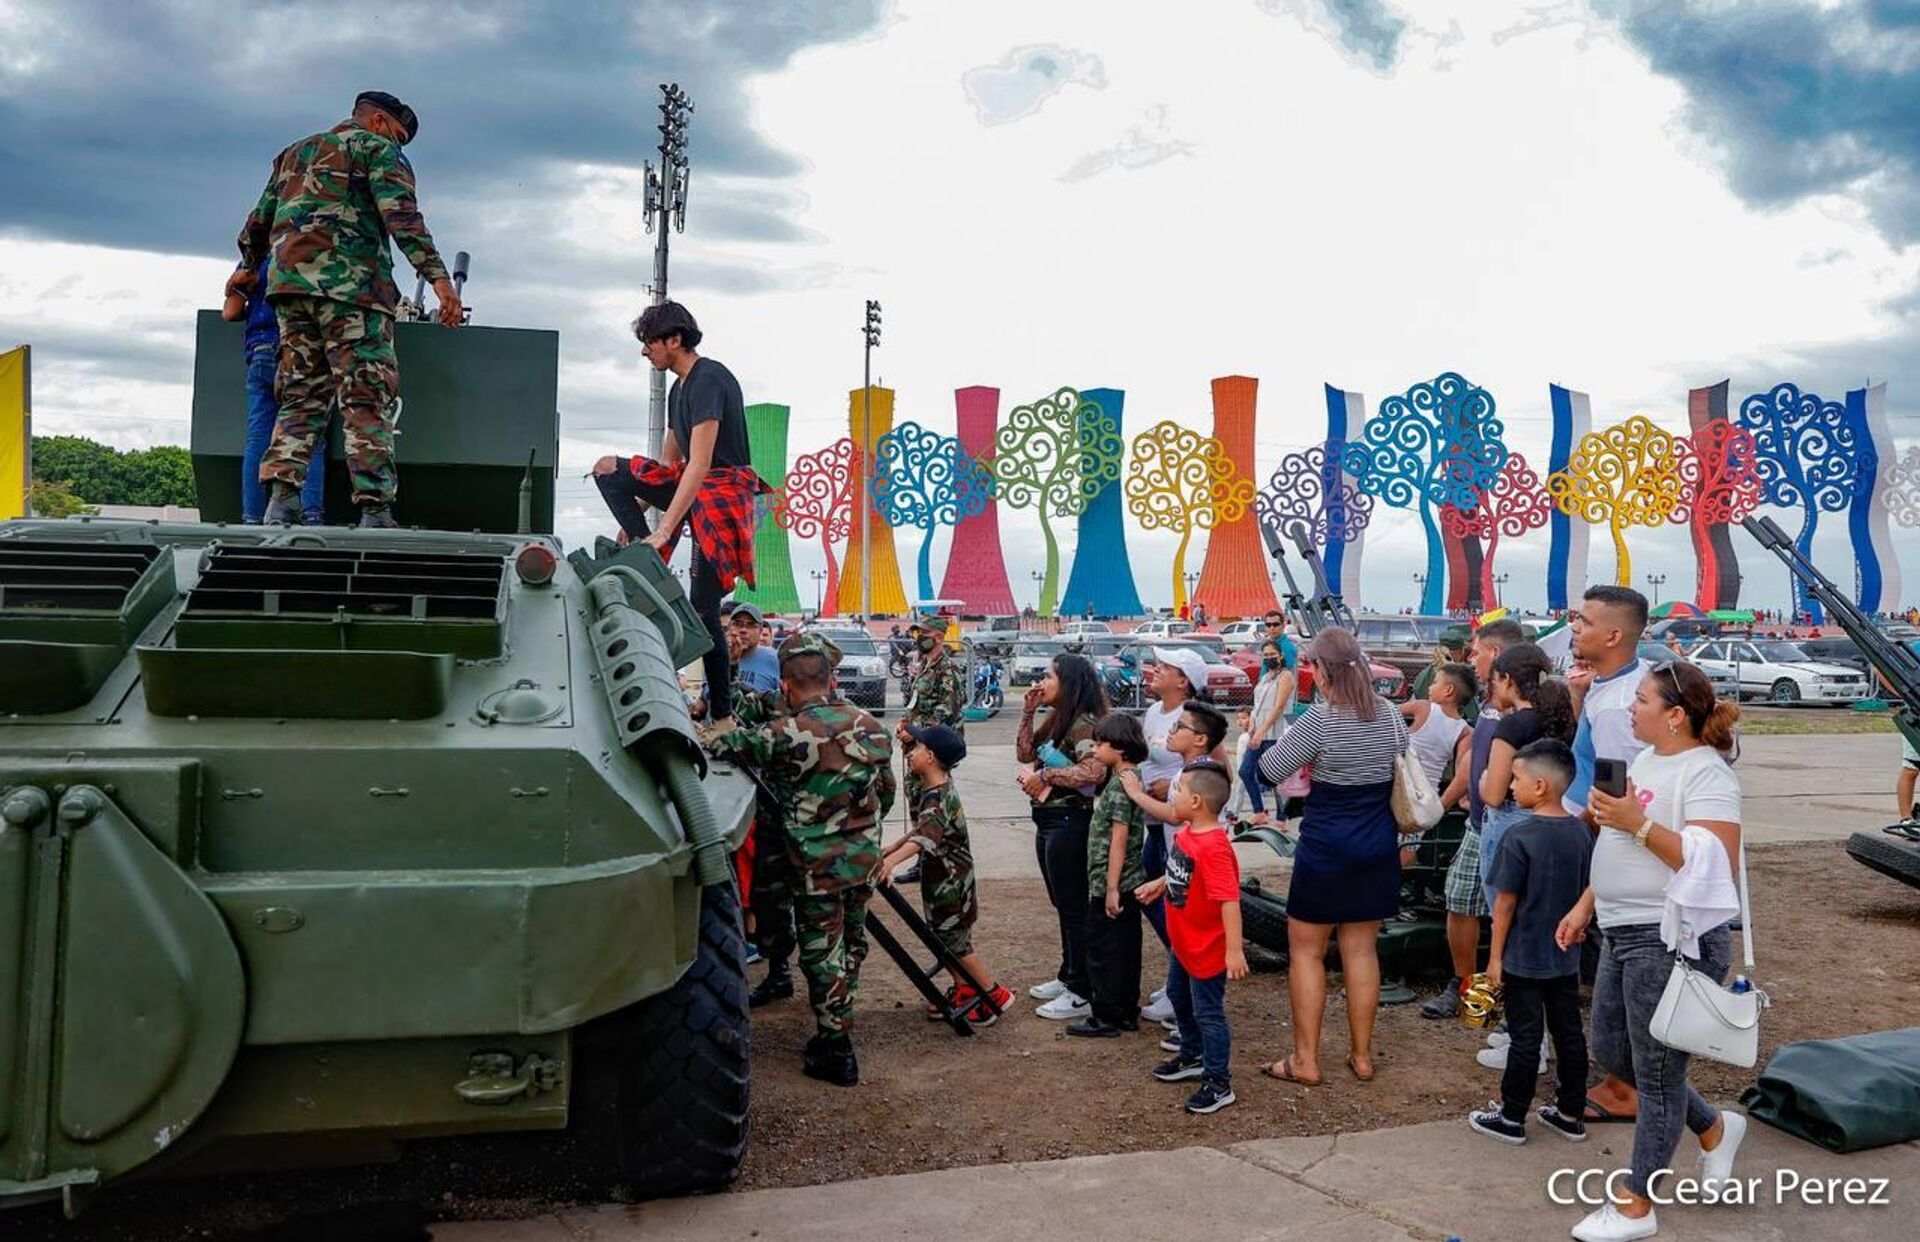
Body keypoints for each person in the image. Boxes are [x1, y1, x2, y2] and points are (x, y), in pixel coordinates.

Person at [1559, 662, 1748, 1242]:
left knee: (1657, 1074)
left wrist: (1637, 824)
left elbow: (1716, 863)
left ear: (1673, 715)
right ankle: (1714, 1127)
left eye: (1640, 700)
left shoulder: (1707, 773)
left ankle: (1639, 1203)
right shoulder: (1645, 760)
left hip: (1670, 936)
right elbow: (1620, 840)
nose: (1629, 709)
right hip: (1620, 928)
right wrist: (1586, 904)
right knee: (1616, 1052)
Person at [232, 90, 460, 529]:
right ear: (377, 122)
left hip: (290, 291)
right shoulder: (377, 150)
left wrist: (247, 267)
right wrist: (439, 279)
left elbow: (256, 222)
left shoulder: (294, 153)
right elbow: (402, 217)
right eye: (396, 133)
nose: (397, 142)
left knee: (300, 394)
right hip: (352, 291)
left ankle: (281, 503)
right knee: (365, 393)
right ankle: (374, 509)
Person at [707, 633, 894, 1086]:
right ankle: (841, 1013)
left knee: (819, 953)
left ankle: (836, 1046)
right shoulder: (871, 726)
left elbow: (722, 747)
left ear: (787, 688)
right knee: (851, 943)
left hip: (816, 867)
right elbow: (885, 791)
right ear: (831, 681)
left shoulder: (781, 734)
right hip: (862, 859)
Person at [594, 302, 766, 734]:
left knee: (705, 610)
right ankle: (646, 560)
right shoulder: (678, 391)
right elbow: (667, 466)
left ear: (674, 339)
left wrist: (666, 529)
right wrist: (636, 524)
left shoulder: (710, 378)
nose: (645, 353)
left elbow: (701, 463)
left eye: (649, 343)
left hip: (720, 495)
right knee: (608, 469)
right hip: (692, 487)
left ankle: (723, 717)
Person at [1255, 626, 1405, 1085]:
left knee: (1307, 951)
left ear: (1320, 670)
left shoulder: (1320, 720)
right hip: (1377, 842)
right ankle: (1361, 1056)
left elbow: (1268, 771)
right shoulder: (1388, 714)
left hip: (1326, 845)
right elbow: (1401, 758)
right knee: (1361, 949)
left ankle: (1306, 1060)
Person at [1466, 739, 1591, 1146]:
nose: (1511, 786)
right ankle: (1572, 1111)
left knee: (1525, 1036)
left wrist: (1494, 959)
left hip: (1522, 956)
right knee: (1568, 1033)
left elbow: (1503, 906)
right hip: (1564, 956)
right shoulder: (1580, 833)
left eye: (1516, 779)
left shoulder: (1519, 837)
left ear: (1540, 786)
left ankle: (1512, 1115)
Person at [1565, 585, 1654, 1125]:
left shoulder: (1624, 705)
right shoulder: (1608, 688)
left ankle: (1627, 1085)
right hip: (1604, 847)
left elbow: (1619, 796)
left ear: (1614, 635)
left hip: (1616, 852)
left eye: (1584, 621)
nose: (1575, 627)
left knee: (1622, 974)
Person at [1423, 617, 1528, 1019]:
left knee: (1509, 916)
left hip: (1510, 824)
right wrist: (1443, 805)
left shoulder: (1523, 706)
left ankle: (1504, 1000)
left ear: (1497, 654)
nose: (1472, 656)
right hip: (1479, 823)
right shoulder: (1488, 701)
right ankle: (1467, 988)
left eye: (1478, 649)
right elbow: (1471, 759)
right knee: (1460, 900)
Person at [877, 725, 1014, 1025]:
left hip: (951, 885)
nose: (910, 753)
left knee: (956, 943)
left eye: (917, 748)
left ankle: (993, 994)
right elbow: (921, 830)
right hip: (944, 882)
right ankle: (966, 989)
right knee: (944, 938)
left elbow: (926, 836)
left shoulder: (937, 797)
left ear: (931, 757)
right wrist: (891, 848)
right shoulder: (935, 791)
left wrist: (892, 863)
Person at [1132, 762, 1246, 1114]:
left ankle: (1218, 1081)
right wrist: (1160, 883)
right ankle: (1192, 1055)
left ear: (1195, 801)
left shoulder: (1214, 846)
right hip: (1182, 942)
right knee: (1180, 998)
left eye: (1178, 791)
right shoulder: (1186, 833)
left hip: (1207, 948)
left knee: (1208, 1012)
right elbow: (1180, 871)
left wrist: (1234, 950)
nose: (1172, 795)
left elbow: (1229, 900)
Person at [1015, 654, 1111, 1021]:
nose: (1042, 681)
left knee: (1074, 906)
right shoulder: (1060, 719)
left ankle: (1080, 988)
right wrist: (1027, 713)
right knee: (1063, 902)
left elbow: (1093, 772)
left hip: (1071, 821)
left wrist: (1047, 778)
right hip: (1050, 819)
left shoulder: (1085, 724)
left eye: (1048, 675)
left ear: (1068, 682)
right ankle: (1068, 972)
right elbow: (1025, 753)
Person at [1134, 646, 1227, 1025]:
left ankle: (1185, 983)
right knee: (1154, 895)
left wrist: (1169, 789)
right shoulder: (1154, 713)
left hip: (1183, 829)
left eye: (1165, 667)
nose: (1155, 670)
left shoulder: (1196, 721)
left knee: (1179, 901)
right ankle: (1180, 972)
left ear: (1183, 680)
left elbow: (1221, 773)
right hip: (1156, 825)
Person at [1475, 643, 1577, 916]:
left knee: (1505, 912)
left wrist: (1483, 779)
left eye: (1494, 681)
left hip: (1510, 822)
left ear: (1507, 680)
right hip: (1555, 819)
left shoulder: (1512, 725)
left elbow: (1495, 795)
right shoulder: (1561, 718)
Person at [222, 257, 325, 525]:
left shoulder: (255, 260)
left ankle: (252, 517)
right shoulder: (314, 252)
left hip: (260, 351)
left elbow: (230, 313)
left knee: (258, 436)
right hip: (301, 351)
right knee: (308, 431)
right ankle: (310, 515)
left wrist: (258, 308)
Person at [1070, 711, 1151, 1038]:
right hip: (1129, 879)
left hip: (1112, 882)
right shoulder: (1131, 779)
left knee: (1103, 950)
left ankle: (1105, 1015)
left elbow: (1119, 837)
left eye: (1101, 743)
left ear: (1119, 748)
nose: (1094, 749)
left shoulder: (1120, 785)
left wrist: (1111, 887)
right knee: (1126, 948)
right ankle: (1126, 1010)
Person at [1236, 638, 1297, 823]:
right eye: (1266, 655)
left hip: (1275, 734)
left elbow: (1278, 707)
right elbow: (1258, 705)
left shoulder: (1285, 676)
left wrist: (1263, 731)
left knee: (1275, 776)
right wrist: (1253, 727)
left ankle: (1282, 816)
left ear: (1281, 655)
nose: (1269, 658)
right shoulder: (1265, 677)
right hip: (1257, 732)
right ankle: (1259, 810)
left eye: (1272, 654)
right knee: (1245, 771)